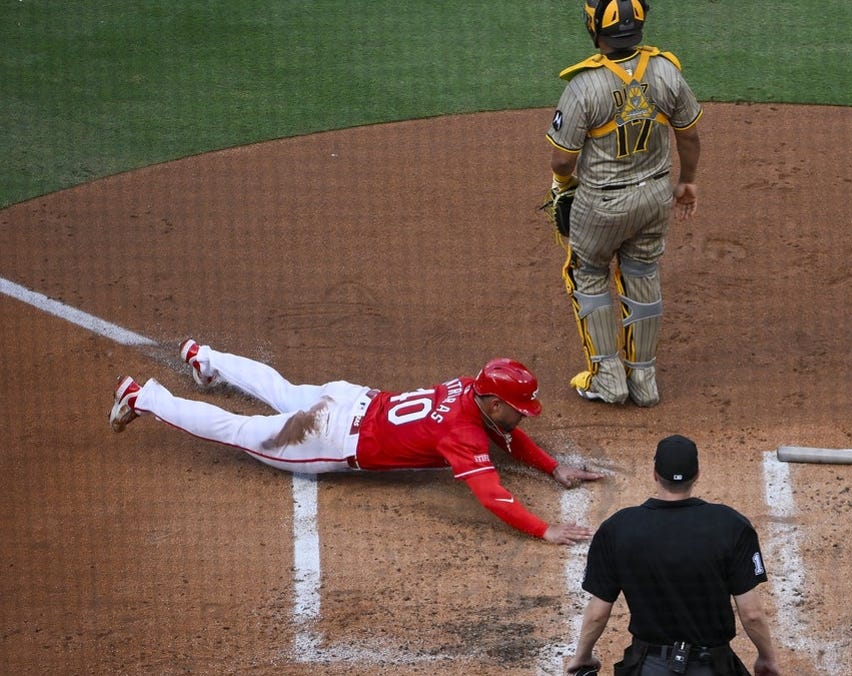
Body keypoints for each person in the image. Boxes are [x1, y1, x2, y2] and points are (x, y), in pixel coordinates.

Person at [107, 339, 603, 545]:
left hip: (346, 399)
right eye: (520, 408)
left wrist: (552, 467)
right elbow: (492, 495)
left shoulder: (467, 389)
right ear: (494, 403)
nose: (523, 416)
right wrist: (544, 530)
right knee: (239, 430)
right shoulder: (463, 433)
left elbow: (506, 435)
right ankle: (143, 397)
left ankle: (204, 356)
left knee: (281, 388)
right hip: (323, 436)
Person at [545, 0, 702, 407]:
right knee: (642, 271)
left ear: (594, 28)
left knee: (588, 273)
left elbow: (563, 157)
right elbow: (689, 135)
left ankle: (608, 379)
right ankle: (644, 382)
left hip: (601, 204)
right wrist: (686, 181)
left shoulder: (583, 85)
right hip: (654, 196)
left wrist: (564, 184)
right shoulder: (667, 71)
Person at [565, 435, 781, 676]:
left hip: (648, 667)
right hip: (712, 667)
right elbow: (751, 614)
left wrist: (582, 656)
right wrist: (766, 658)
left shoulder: (617, 528)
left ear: (655, 474)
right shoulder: (731, 525)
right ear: (697, 474)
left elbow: (597, 613)